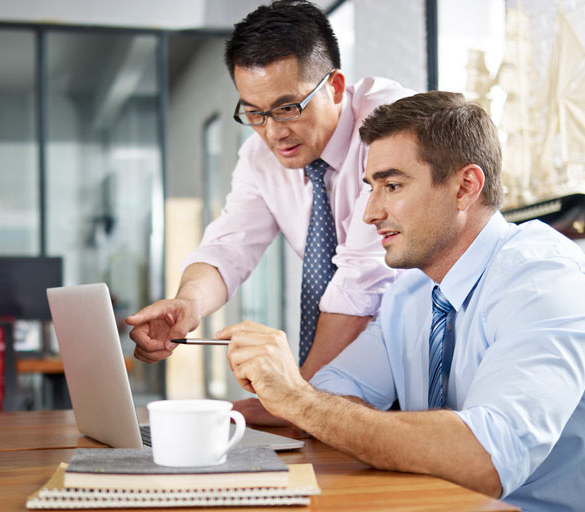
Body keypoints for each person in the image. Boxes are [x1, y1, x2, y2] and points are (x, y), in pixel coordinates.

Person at [219, 91, 585, 510]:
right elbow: (335, 388)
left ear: (465, 187)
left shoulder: (548, 285)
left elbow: (484, 458)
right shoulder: (411, 293)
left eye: (391, 186)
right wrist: (320, 405)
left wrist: (299, 401)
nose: (371, 213)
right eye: (370, 188)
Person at [126, 0, 413, 422]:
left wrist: (294, 400)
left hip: (416, 352)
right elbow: (228, 246)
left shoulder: (389, 125)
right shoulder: (259, 156)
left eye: (287, 107)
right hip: (347, 377)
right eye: (255, 113)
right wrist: (187, 303)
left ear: (335, 87)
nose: (274, 132)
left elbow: (361, 284)